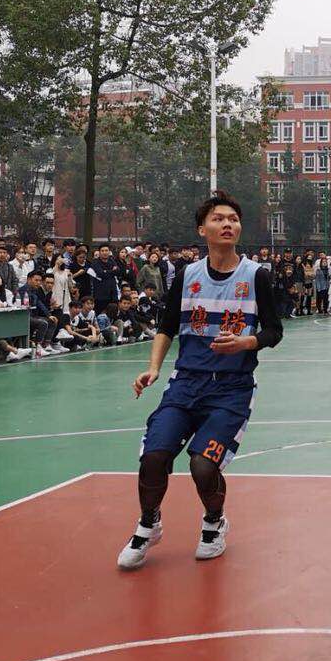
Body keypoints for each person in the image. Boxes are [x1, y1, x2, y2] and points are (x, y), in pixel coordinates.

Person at [120, 192, 284, 570]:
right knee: (154, 456)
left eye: (233, 219)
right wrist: (153, 368)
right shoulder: (187, 275)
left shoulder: (256, 275)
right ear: (202, 229)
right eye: (218, 218)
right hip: (186, 383)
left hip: (231, 388)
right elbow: (166, 326)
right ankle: (148, 524)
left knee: (203, 466)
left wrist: (247, 342)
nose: (227, 224)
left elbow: (274, 331)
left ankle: (214, 522)